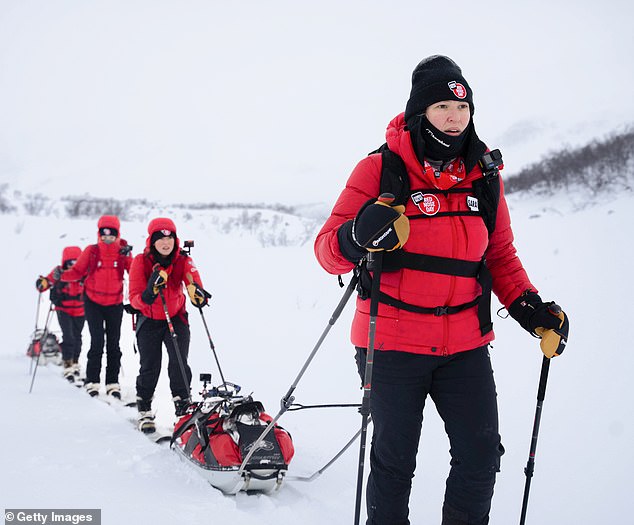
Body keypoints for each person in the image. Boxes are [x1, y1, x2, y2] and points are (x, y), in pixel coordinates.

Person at [314, 55, 569, 525]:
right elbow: (327, 252)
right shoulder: (380, 169)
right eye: (442, 107)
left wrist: (532, 309)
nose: (455, 118)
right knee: (395, 463)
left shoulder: (484, 176)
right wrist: (357, 233)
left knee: (480, 457)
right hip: (390, 343)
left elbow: (500, 256)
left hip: (465, 345)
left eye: (463, 108)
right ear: (419, 113)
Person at [128, 218, 210, 433]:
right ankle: (144, 407)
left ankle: (183, 407)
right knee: (150, 365)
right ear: (151, 241)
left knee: (179, 363)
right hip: (149, 319)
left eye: (169, 238)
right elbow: (134, 298)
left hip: (176, 317)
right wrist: (148, 293)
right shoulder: (140, 261)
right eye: (160, 238)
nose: (166, 242)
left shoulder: (182, 259)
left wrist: (198, 294)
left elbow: (194, 280)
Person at [61, 215, 132, 398]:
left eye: (112, 234)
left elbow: (133, 272)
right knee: (97, 341)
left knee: (114, 344)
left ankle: (112, 383)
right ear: (98, 233)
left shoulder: (122, 252)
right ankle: (92, 381)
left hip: (115, 303)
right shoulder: (91, 251)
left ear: (117, 234)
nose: (107, 237)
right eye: (104, 233)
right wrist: (59, 276)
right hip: (93, 302)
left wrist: (128, 258)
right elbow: (77, 271)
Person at [35, 246, 85, 382]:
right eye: (70, 263)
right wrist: (42, 283)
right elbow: (48, 281)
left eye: (75, 262)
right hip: (63, 309)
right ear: (65, 262)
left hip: (81, 309)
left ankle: (75, 362)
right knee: (68, 336)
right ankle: (67, 363)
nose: (72, 266)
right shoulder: (58, 272)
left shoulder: (84, 272)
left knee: (77, 337)